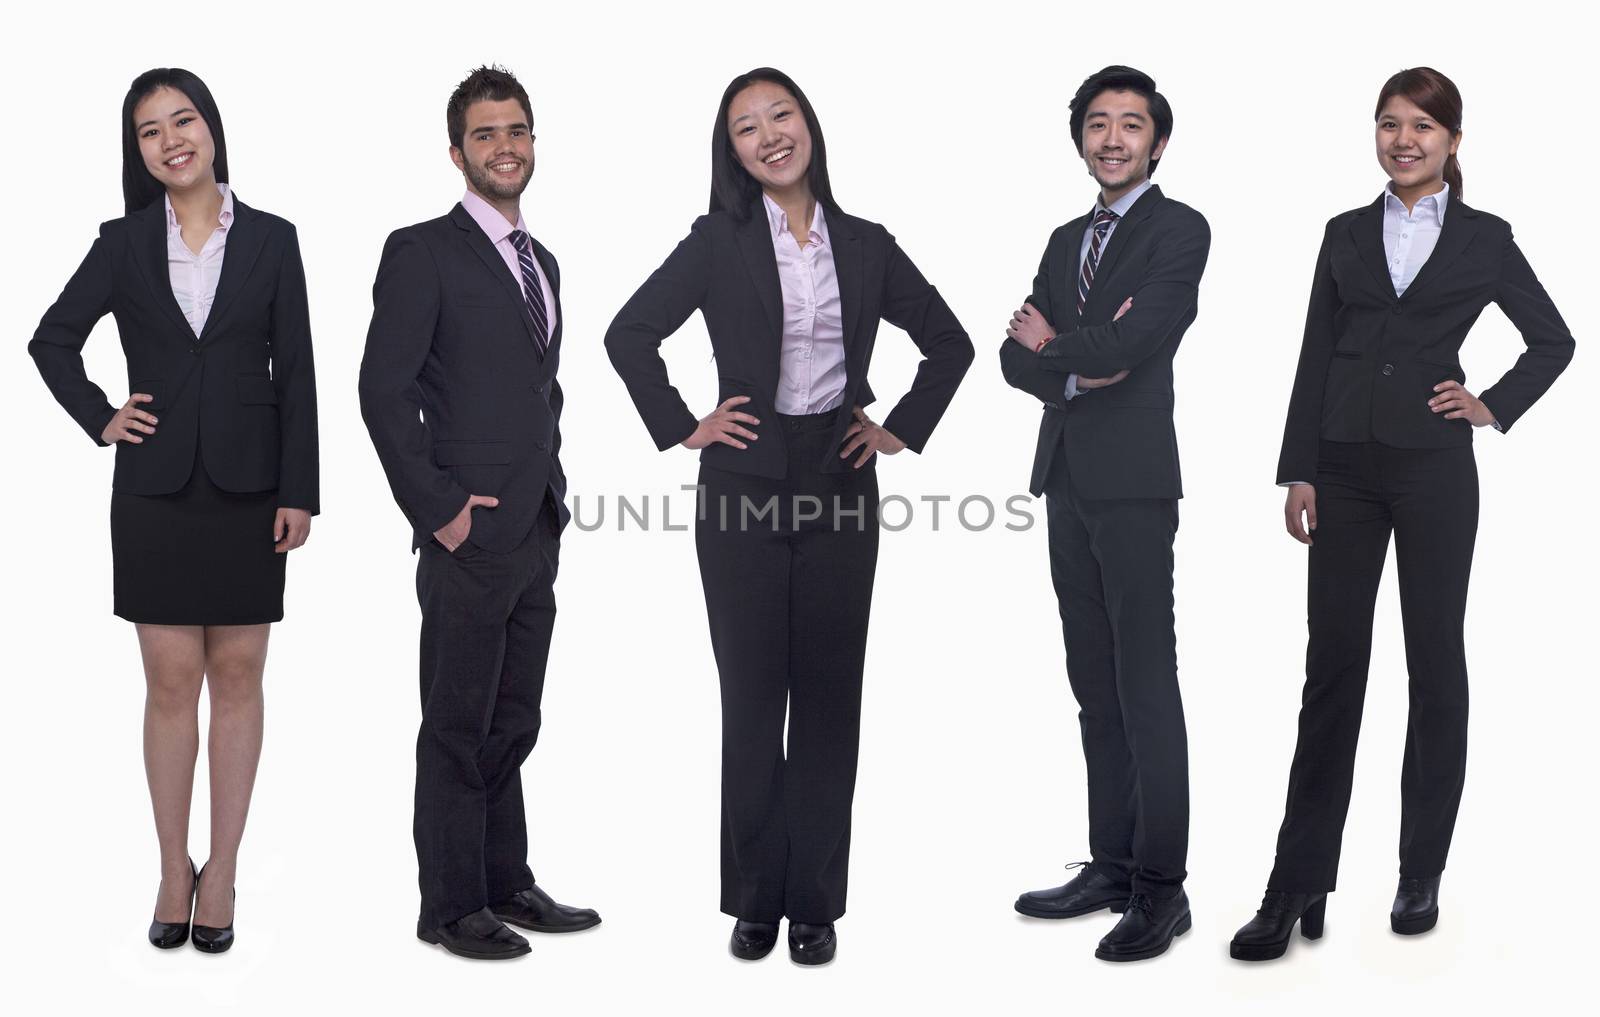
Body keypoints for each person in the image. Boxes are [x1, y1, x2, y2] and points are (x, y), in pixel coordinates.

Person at [605, 67, 972, 966]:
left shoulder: (867, 243)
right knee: (753, 698)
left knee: (829, 702)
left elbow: (951, 344)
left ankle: (815, 903)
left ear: (810, 125)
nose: (768, 135)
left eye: (782, 115)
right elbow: (628, 333)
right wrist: (687, 425)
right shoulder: (717, 240)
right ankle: (753, 898)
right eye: (745, 128)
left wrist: (895, 430)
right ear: (730, 151)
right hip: (742, 483)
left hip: (841, 477)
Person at [1229, 67, 1574, 962]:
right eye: (1389, 124)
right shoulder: (1344, 232)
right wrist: (1297, 469)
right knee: (1332, 669)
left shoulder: (1487, 238)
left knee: (1434, 665)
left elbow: (1555, 338)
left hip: (1432, 471)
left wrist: (1491, 402)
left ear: (1454, 142)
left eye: (1423, 125)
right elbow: (1314, 351)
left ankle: (1420, 867)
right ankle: (1295, 880)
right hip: (1341, 469)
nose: (1403, 139)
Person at [29, 67, 320, 954]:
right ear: (139, 150)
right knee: (167, 683)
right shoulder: (121, 242)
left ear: (212, 127)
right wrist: (101, 415)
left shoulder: (273, 238)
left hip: (250, 489)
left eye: (181, 120)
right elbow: (51, 338)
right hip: (155, 490)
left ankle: (222, 869)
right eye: (149, 131)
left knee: (238, 677)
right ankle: (170, 865)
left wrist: (301, 489)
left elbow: (298, 369)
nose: (169, 140)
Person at [358, 65, 598, 961]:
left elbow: (541, 388)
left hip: (535, 525)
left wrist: (551, 494)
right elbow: (382, 392)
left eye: (519, 131)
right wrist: (440, 509)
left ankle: (505, 879)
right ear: (457, 152)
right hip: (467, 527)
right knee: (457, 721)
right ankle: (450, 903)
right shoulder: (420, 251)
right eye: (488, 135)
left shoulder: (547, 263)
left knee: (515, 716)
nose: (507, 148)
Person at [1001, 65, 1210, 963]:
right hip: (1066, 479)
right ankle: (1114, 860)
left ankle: (1163, 888)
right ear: (1081, 138)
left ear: (1157, 142)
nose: (1113, 138)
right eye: (1098, 123)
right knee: (1094, 683)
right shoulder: (1061, 238)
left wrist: (1063, 348)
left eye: (1132, 124)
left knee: (1145, 683)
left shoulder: (1179, 229)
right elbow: (1012, 356)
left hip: (1132, 483)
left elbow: (1138, 340)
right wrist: (1070, 356)